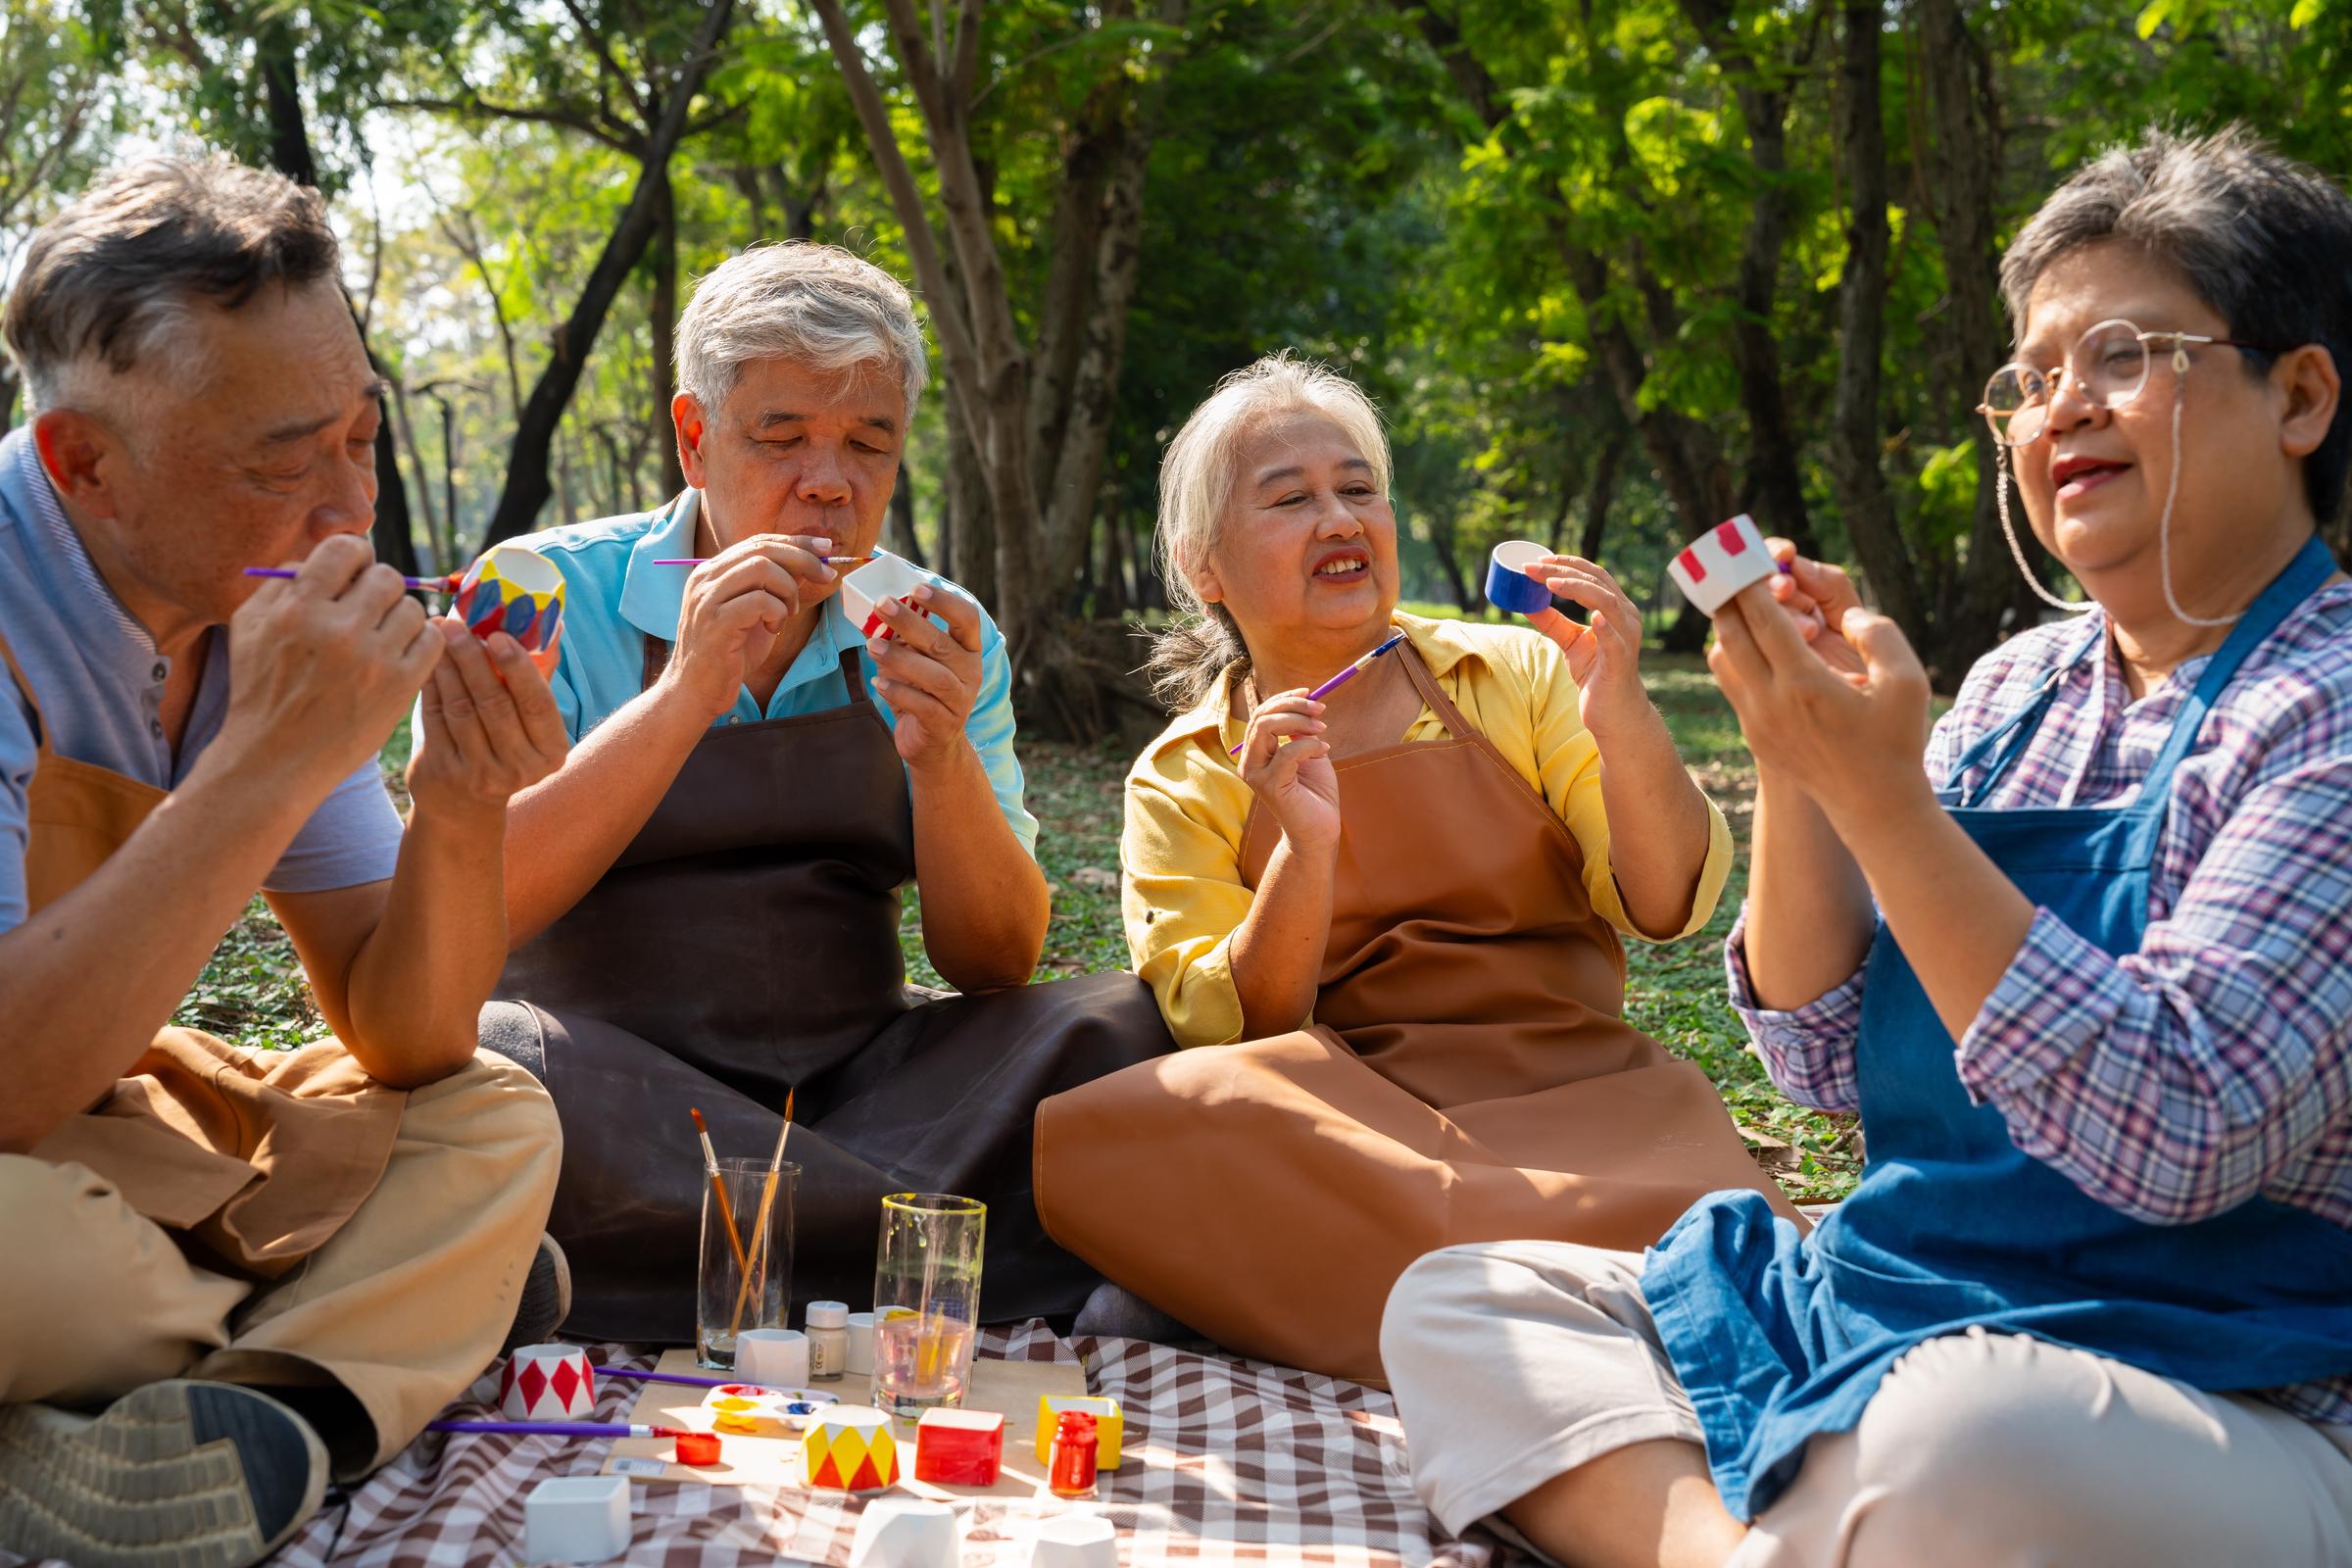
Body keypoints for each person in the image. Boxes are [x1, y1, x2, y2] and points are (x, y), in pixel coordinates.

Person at [1383, 127, 2352, 1568]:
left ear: (2301, 395)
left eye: (2124, 356)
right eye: (2029, 378)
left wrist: (1890, 807)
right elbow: (1823, 1062)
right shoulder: (2018, 694)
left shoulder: (2322, 711)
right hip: (1901, 1311)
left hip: (2221, 1388)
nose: (2060, 408)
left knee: (1965, 1440)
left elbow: (2185, 1129)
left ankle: (1759, 1524)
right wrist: (1797, 767)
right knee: (1469, 1305)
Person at [0, 158, 568, 1568]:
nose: (345, 511)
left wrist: (458, 801)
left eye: (362, 441)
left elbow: (407, 1037)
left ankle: (225, 1417)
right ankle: (377, 1330)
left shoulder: (238, 607)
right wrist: (264, 761)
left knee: (496, 1118)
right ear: (85, 463)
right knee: (49, 1264)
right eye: (278, 461)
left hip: (111, 1137)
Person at [1029, 355, 1800, 1381]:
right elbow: (1243, 1027)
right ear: (1204, 566)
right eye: (1291, 498)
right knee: (1147, 1111)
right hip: (1360, 1122)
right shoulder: (1184, 773)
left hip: (1576, 1092)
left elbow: (1662, 904)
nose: (1340, 519)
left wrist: (1623, 713)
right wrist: (1305, 850)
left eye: (1359, 489)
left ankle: (1366, 1290)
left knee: (1169, 1272)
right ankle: (1503, 1285)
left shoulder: (1517, 671)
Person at [475, 241, 1172, 1342]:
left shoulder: (941, 629)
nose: (830, 484)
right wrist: (688, 689)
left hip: (859, 1085)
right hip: (621, 1085)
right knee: (492, 1065)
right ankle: (924, 1247)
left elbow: (994, 961)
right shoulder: (541, 595)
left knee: (1123, 1023)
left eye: (867, 443)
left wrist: (940, 757)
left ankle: (669, 1251)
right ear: (695, 437)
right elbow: (478, 905)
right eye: (784, 437)